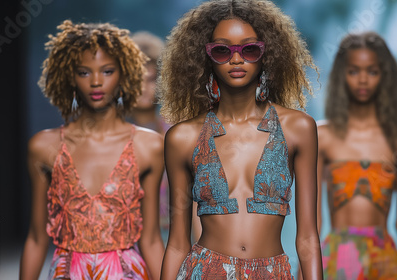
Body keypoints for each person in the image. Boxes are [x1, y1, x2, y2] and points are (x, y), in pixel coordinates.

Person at [158, 0, 323, 279]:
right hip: (204, 271)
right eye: (222, 50)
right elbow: (176, 244)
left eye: (249, 49)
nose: (236, 59)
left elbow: (307, 238)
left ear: (266, 53)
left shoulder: (299, 128)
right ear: (205, 56)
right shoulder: (182, 137)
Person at [19, 20, 165, 280]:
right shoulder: (43, 147)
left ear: (124, 74)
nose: (96, 81)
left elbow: (151, 239)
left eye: (107, 71)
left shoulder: (149, 145)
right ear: (69, 77)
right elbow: (36, 237)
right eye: (84, 72)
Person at [315, 32, 397, 279]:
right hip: (336, 259)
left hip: (383, 260)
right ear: (342, 75)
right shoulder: (321, 136)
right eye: (354, 71)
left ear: (384, 76)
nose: (363, 80)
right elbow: (312, 224)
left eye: (372, 71)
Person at [128, 31, 173, 244]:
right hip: (124, 237)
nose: (144, 88)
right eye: (137, 79)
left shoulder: (175, 129)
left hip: (169, 233)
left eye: (152, 79)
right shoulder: (111, 131)